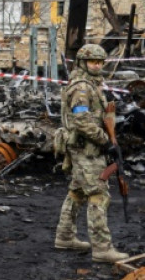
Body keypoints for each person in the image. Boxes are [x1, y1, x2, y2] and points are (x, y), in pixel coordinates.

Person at [54, 44, 129, 263]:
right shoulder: (82, 88)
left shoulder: (91, 84)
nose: (97, 66)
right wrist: (105, 141)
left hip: (86, 148)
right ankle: (102, 248)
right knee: (98, 194)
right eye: (92, 62)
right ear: (82, 63)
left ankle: (65, 237)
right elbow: (82, 121)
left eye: (99, 62)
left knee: (77, 192)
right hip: (86, 150)